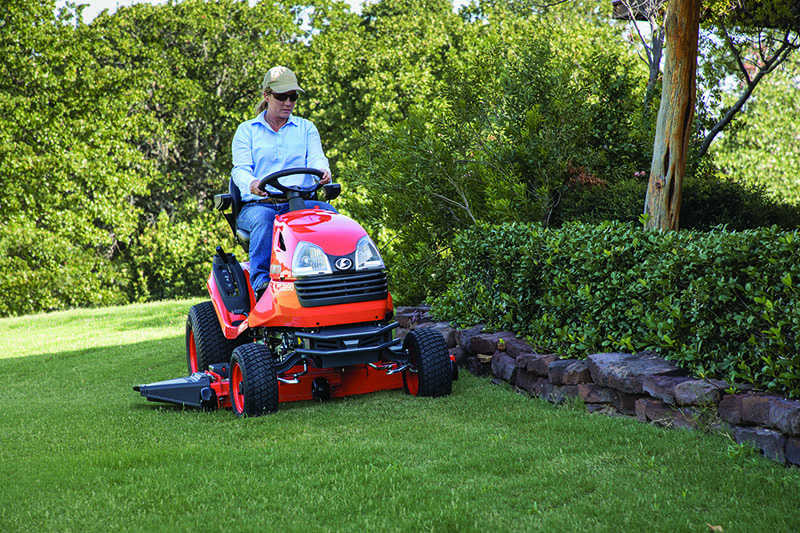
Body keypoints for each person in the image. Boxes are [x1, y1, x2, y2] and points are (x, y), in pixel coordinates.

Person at [231, 66, 336, 297]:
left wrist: (323, 170)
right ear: (266, 96)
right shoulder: (246, 131)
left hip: (299, 203)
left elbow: (318, 158)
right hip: (260, 205)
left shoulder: (306, 129)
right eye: (281, 97)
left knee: (331, 216)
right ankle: (261, 285)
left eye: (293, 97)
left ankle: (335, 277)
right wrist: (252, 184)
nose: (288, 102)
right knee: (264, 220)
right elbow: (240, 170)